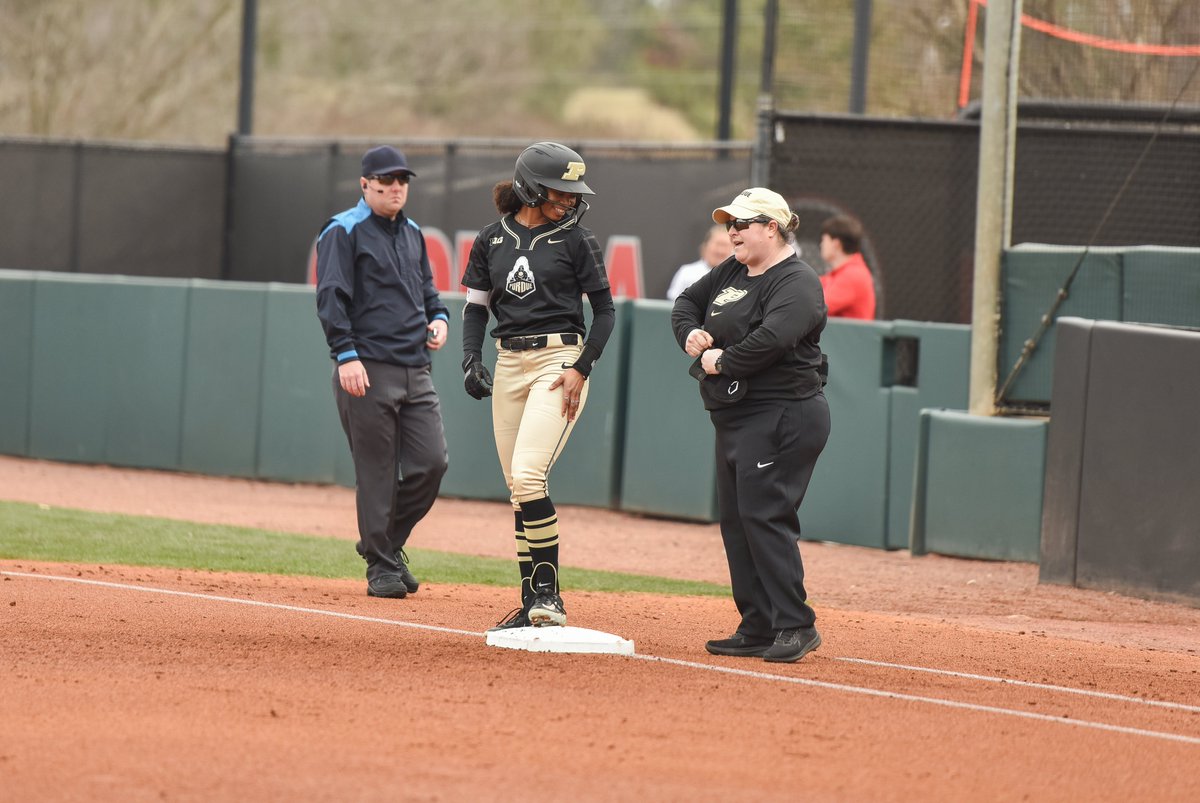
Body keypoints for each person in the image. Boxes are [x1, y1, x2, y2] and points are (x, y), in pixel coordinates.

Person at [671, 187, 831, 664]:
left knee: (764, 515)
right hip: (737, 416)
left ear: (772, 228)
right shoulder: (734, 270)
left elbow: (774, 338)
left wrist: (721, 362)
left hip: (784, 413)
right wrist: (691, 335)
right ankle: (758, 624)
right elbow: (685, 302)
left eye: (742, 223)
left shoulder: (797, 280)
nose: (733, 232)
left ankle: (795, 624)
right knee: (738, 522)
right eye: (728, 224)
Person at [460, 142, 616, 630]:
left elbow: (606, 312)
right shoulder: (491, 237)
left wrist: (581, 366)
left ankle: (549, 596)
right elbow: (475, 308)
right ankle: (531, 604)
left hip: (559, 358)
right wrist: (470, 357)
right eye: (560, 190)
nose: (569, 199)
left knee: (528, 477)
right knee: (517, 489)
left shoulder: (577, 239)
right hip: (509, 360)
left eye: (574, 192)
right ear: (530, 186)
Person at [315, 145, 450, 599]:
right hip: (366, 367)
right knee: (376, 471)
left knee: (432, 464)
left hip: (415, 366)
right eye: (386, 181)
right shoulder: (344, 230)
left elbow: (429, 292)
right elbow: (331, 296)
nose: (396, 188)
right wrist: (345, 355)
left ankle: (385, 545)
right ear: (364, 184)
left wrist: (440, 319)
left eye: (402, 181)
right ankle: (381, 567)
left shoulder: (412, 231)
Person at [818, 214, 876, 319]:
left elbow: (816, 308)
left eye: (824, 240)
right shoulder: (842, 274)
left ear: (836, 244)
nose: (821, 244)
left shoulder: (853, 275)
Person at [665, 223, 733, 301]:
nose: (720, 251)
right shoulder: (687, 272)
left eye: (725, 245)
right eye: (718, 244)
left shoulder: (737, 276)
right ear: (706, 245)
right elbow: (672, 304)